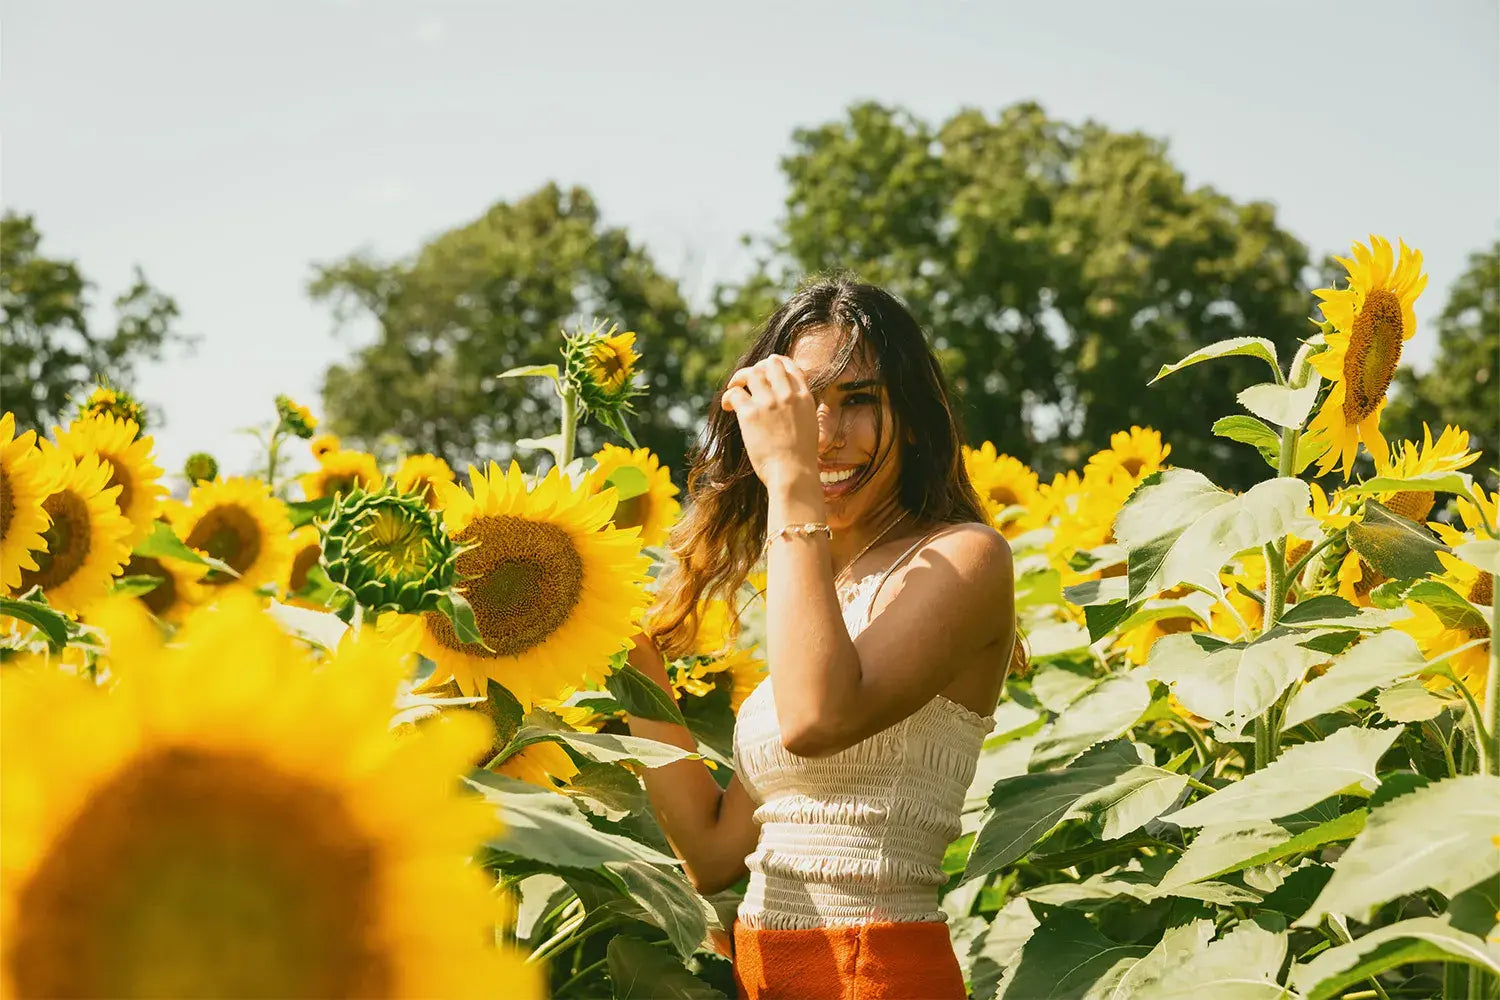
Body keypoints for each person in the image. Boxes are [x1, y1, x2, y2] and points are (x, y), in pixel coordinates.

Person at [625, 275, 1022, 999]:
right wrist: (627, 653)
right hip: (762, 975)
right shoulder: (817, 590)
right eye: (802, 403)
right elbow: (712, 855)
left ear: (913, 417)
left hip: (874, 972)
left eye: (859, 400)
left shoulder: (967, 557)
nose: (826, 433)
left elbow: (816, 719)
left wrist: (789, 479)